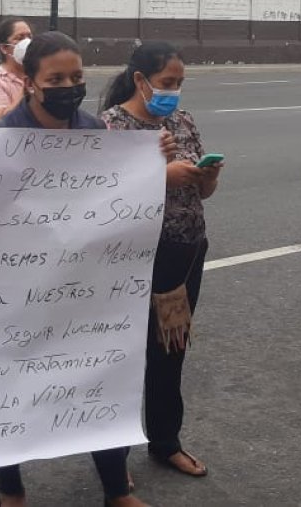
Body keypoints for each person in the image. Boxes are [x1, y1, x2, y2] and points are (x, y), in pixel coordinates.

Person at [0, 31, 148, 507]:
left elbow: (111, 205)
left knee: (100, 378)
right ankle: (10, 489)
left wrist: (146, 173)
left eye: (77, 77)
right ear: (30, 82)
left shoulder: (94, 132)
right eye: (55, 78)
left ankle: (116, 488)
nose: (69, 85)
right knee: (10, 385)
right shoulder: (2, 141)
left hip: (84, 287)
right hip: (20, 288)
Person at [99, 42, 221, 479]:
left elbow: (201, 194)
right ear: (140, 80)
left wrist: (207, 177)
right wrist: (159, 173)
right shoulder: (112, 126)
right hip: (132, 258)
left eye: (179, 84)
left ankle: (165, 442)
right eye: (167, 83)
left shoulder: (182, 121)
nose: (174, 92)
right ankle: (113, 460)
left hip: (185, 253)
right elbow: (101, 197)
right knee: (124, 355)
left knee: (170, 351)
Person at [0, 17, 33, 122]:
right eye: (20, 38)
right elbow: (0, 119)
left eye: (29, 37)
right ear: (4, 48)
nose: (27, 42)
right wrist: (25, 91)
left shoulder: (41, 72)